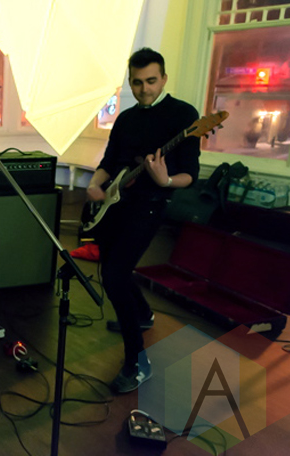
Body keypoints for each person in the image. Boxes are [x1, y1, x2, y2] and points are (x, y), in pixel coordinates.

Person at [86, 48, 200, 394]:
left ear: (164, 78)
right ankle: (143, 315)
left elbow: (190, 175)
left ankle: (137, 362)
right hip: (116, 203)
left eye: (151, 81)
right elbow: (109, 162)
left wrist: (166, 180)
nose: (144, 89)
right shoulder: (126, 118)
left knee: (114, 275)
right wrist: (94, 184)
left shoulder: (184, 115)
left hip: (149, 205)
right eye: (137, 83)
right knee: (113, 268)